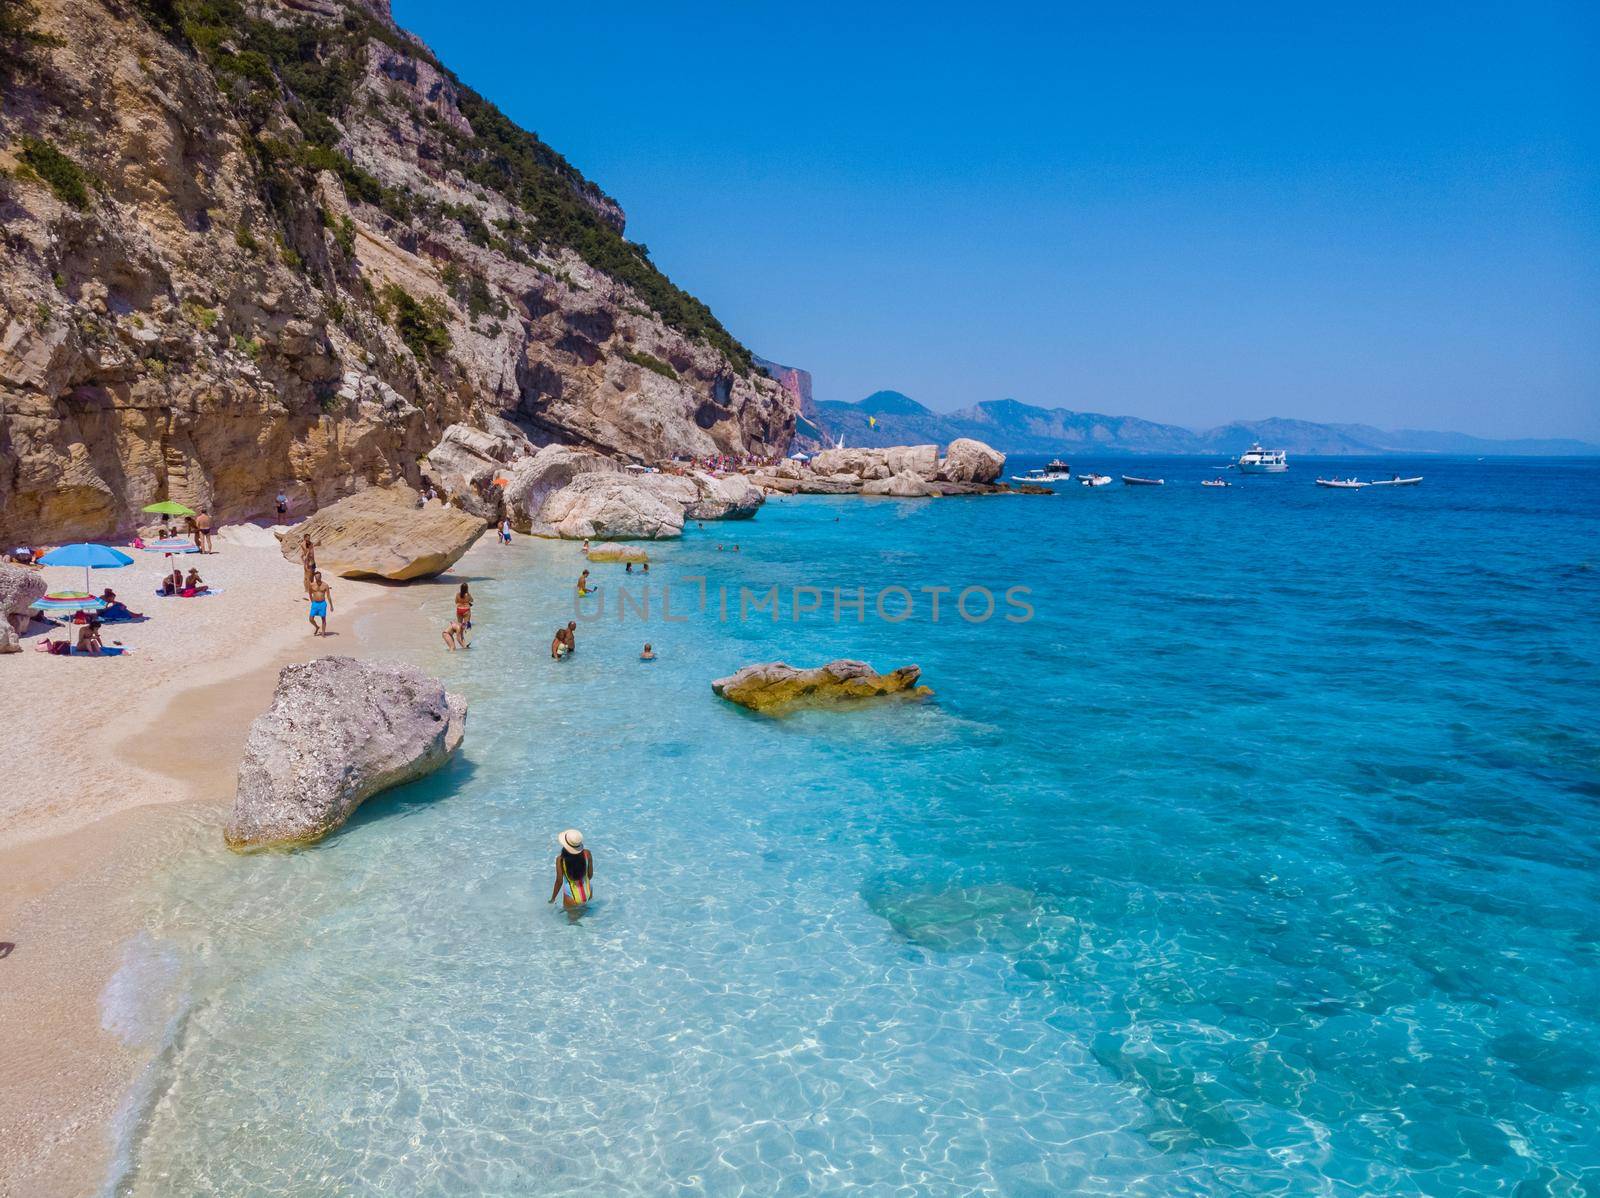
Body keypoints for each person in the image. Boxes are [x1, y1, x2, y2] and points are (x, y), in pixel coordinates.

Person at [548, 829, 593, 908]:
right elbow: (590, 876)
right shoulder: (587, 853)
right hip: (588, 890)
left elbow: (559, 881)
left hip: (571, 895)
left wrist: (553, 898)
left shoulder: (561, 860)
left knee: (573, 920)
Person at [307, 571, 332, 636]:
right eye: (316, 577)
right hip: (315, 603)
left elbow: (328, 596)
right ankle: (317, 627)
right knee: (311, 619)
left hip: (322, 604)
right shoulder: (312, 585)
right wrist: (312, 601)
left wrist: (331, 606)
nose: (317, 578)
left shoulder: (325, 585)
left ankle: (323, 633)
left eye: (318, 577)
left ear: (321, 577)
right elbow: (310, 593)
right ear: (315, 577)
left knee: (323, 618)